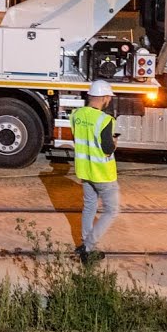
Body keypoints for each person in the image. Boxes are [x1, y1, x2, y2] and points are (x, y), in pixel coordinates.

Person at [71, 79, 120, 265]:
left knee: (89, 207)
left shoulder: (76, 115)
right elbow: (107, 148)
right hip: (102, 174)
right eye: (109, 97)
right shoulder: (105, 120)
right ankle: (88, 246)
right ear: (105, 98)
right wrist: (115, 143)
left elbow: (78, 139)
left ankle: (85, 244)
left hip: (85, 171)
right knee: (112, 210)